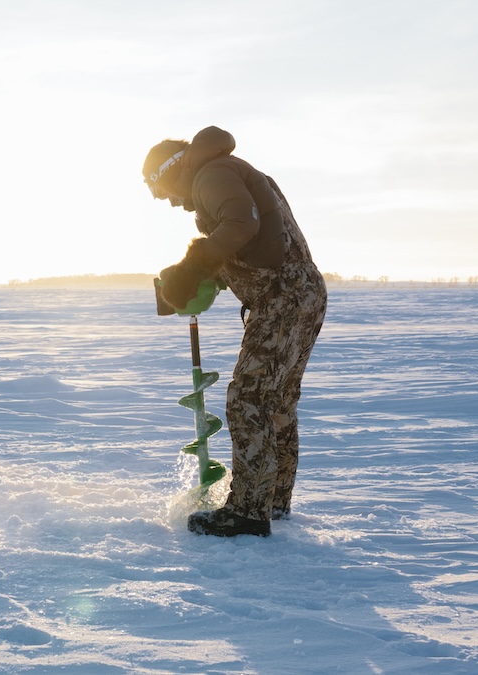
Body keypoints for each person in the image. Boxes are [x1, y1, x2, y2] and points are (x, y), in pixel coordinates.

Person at [144, 126, 326, 537]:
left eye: (162, 192)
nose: (171, 202)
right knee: (277, 402)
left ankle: (247, 510)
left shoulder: (211, 173)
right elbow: (257, 244)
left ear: (170, 171)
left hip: (285, 297)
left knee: (249, 398)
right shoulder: (228, 170)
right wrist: (199, 281)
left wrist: (192, 266)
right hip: (302, 293)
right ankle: (272, 500)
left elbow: (241, 224)